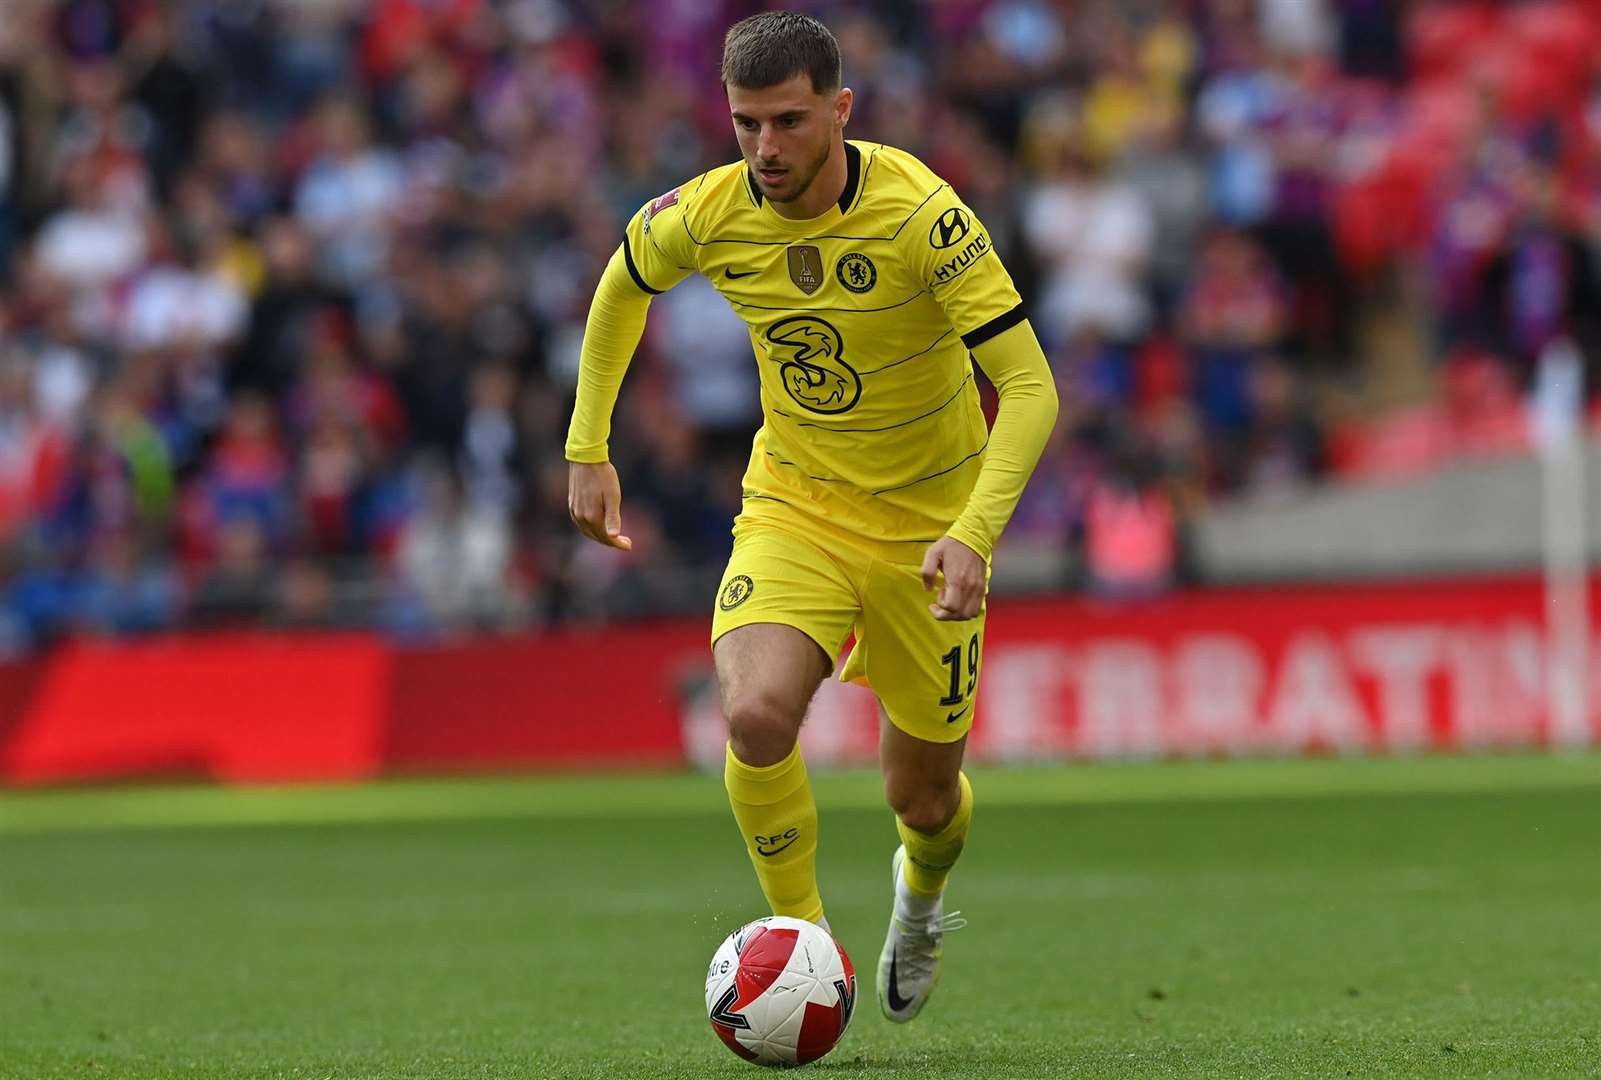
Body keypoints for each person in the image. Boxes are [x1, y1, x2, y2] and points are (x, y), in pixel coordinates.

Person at [565, 12, 1058, 1024]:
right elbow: (622, 283)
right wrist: (587, 446)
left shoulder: (921, 215)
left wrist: (970, 534)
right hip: (795, 506)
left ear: (839, 109)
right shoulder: (708, 211)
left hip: (927, 535)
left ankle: (918, 899)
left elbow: (1031, 386)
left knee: (920, 801)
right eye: (745, 124)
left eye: (787, 122)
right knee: (750, 715)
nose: (765, 150)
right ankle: (806, 944)